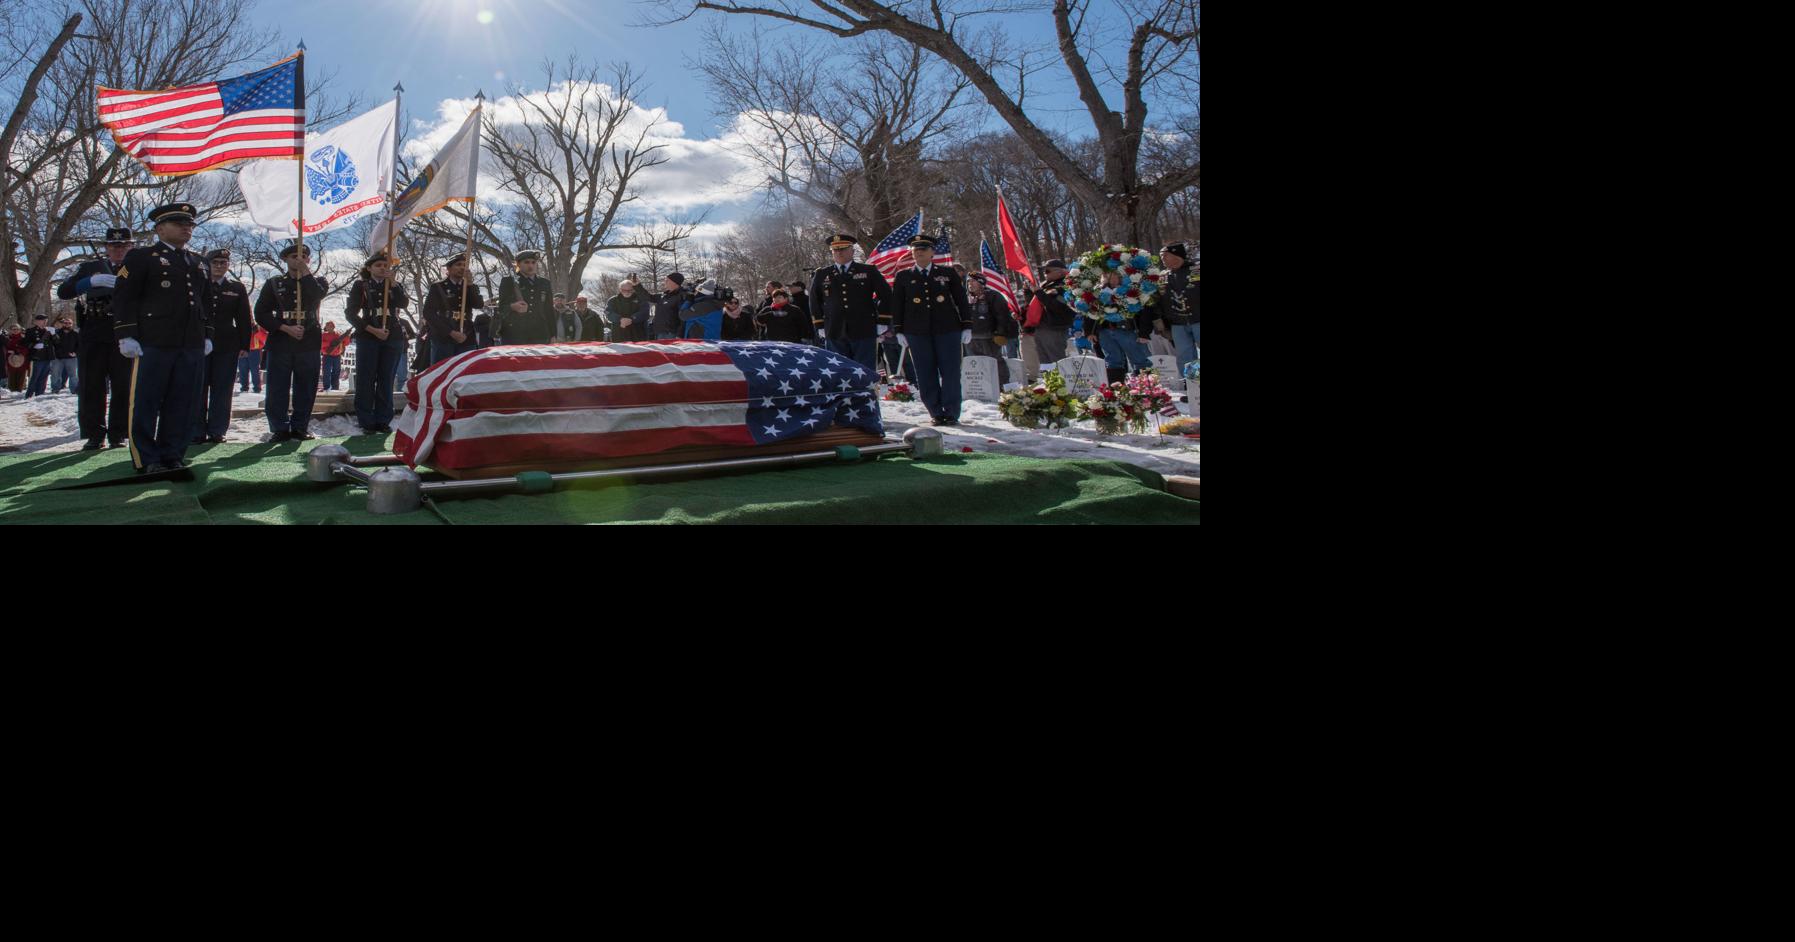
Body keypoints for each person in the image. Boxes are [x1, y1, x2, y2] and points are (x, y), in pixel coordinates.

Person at [110, 202, 215, 474]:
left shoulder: (199, 262)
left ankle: (173, 454)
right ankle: (146, 458)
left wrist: (207, 334)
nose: (186, 228)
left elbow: (206, 302)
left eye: (189, 224)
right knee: (146, 401)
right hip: (153, 341)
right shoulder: (142, 257)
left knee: (184, 402)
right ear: (160, 229)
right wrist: (126, 333)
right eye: (179, 223)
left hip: (190, 342)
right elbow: (124, 297)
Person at [57, 226, 134, 448]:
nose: (119, 249)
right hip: (94, 331)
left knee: (123, 386)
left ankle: (119, 433)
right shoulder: (91, 268)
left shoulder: (138, 267)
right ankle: (94, 434)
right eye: (114, 245)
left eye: (124, 245)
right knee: (91, 385)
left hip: (125, 332)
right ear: (106, 247)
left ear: (131, 246)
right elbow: (64, 291)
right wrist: (89, 282)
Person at [890, 235, 971, 425]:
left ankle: (951, 412)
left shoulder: (947, 273)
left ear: (932, 252)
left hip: (947, 329)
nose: (919, 252)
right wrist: (899, 330)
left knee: (950, 372)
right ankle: (935, 411)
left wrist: (967, 325)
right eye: (915, 249)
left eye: (923, 249)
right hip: (917, 332)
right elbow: (898, 305)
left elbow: (961, 300)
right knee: (925, 372)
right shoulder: (903, 276)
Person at [254, 241, 327, 442]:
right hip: (281, 341)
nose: (299, 260)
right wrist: (285, 328)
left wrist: (305, 273)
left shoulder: (317, 281)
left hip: (308, 340)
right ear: (285, 259)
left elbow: (317, 294)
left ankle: (300, 426)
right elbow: (261, 313)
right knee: (277, 387)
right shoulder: (274, 283)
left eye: (303, 256)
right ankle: (279, 428)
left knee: (306, 386)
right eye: (294, 257)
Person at [343, 250, 409, 434]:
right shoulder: (361, 285)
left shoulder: (394, 285)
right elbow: (350, 313)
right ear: (369, 268)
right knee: (366, 378)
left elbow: (403, 303)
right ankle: (366, 420)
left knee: (386, 379)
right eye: (378, 265)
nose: (382, 268)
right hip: (369, 334)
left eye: (385, 265)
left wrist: (394, 283)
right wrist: (372, 330)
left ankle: (383, 419)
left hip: (392, 335)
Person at [809, 233, 893, 376]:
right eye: (835, 250)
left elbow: (886, 296)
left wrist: (883, 321)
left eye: (843, 249)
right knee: (839, 372)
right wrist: (819, 325)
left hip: (863, 328)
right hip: (834, 329)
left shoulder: (868, 270)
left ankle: (866, 391)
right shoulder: (822, 274)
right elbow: (814, 301)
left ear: (852, 250)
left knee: (864, 370)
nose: (839, 252)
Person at [192, 248, 253, 443]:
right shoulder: (198, 284)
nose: (219, 266)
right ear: (207, 264)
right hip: (198, 342)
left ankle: (217, 430)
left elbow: (243, 317)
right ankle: (196, 430)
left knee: (223, 389)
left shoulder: (236, 288)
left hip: (226, 344)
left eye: (223, 263)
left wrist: (244, 344)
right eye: (215, 262)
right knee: (198, 387)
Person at [1087, 269, 1154, 381]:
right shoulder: (1098, 292)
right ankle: (1116, 387)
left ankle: (1146, 387)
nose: (1112, 279)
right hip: (1105, 331)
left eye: (1115, 276)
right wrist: (1090, 332)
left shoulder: (1131, 290)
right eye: (1108, 276)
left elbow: (1145, 313)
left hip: (1128, 330)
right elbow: (1090, 313)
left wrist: (1144, 333)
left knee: (1139, 360)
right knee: (1112, 361)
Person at [421, 252, 484, 365]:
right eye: (458, 265)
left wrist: (470, 284)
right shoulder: (438, 287)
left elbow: (478, 304)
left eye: (464, 265)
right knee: (442, 371)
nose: (462, 268)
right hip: (444, 337)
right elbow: (428, 313)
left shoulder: (469, 287)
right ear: (449, 268)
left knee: (465, 371)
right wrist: (450, 332)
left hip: (466, 336)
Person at [1024, 259, 1076, 368]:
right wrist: (1028, 291)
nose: (1045, 274)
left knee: (1057, 361)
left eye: (1048, 271)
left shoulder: (1066, 286)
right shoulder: (1045, 285)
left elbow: (1057, 306)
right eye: (1044, 271)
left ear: (1060, 272)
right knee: (1044, 363)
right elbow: (1034, 304)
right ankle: (1048, 379)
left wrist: (1039, 292)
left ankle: (1062, 379)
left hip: (1055, 328)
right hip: (1041, 327)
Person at [495, 249, 554, 345]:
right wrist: (512, 306)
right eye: (526, 262)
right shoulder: (508, 281)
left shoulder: (544, 283)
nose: (530, 265)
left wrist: (553, 335)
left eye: (533, 262)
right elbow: (501, 308)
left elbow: (549, 310)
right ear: (518, 264)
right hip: (514, 334)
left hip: (540, 334)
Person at [1158, 242, 1199, 378]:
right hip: (1177, 323)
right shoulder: (1162, 276)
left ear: (1176, 255)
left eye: (1165, 256)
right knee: (1185, 357)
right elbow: (1159, 301)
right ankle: (1193, 385)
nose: (1162, 259)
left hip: (1198, 320)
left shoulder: (1196, 269)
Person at [964, 273, 1012, 385]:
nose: (970, 284)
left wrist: (1000, 333)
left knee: (995, 362)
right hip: (970, 338)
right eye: (968, 281)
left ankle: (1002, 385)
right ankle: (983, 387)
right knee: (975, 364)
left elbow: (1002, 315)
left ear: (981, 283)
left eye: (973, 281)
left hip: (989, 337)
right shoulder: (965, 298)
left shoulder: (993, 296)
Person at [23, 313, 56, 398]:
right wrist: (34, 345)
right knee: (35, 376)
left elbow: (57, 343)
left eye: (46, 320)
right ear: (37, 321)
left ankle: (40, 394)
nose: (45, 322)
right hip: (37, 357)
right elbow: (25, 342)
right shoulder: (31, 331)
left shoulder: (49, 330)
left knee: (44, 377)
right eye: (42, 320)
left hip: (47, 356)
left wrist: (54, 334)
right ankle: (29, 394)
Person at [648, 272, 688, 340]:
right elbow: (648, 297)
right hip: (660, 332)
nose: (665, 282)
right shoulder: (664, 295)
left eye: (667, 280)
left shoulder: (682, 296)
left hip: (672, 334)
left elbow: (684, 318)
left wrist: (680, 334)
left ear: (675, 283)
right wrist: (637, 286)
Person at [51, 316, 80, 393]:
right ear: (62, 324)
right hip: (58, 358)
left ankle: (74, 390)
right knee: (55, 375)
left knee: (73, 376)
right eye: (65, 323)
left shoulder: (75, 334)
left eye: (69, 323)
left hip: (71, 358)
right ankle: (55, 389)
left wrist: (76, 353)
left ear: (72, 324)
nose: (67, 324)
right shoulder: (56, 333)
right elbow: (51, 344)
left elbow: (80, 345)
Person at [4, 323, 28, 393]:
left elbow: (26, 349)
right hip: (10, 360)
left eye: (17, 329)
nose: (15, 330)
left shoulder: (23, 339)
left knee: (21, 376)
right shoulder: (7, 339)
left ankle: (19, 391)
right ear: (10, 330)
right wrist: (9, 351)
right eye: (14, 329)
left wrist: (18, 351)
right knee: (12, 376)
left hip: (22, 360)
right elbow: (5, 349)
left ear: (20, 330)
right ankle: (12, 391)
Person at [242, 326, 266, 392]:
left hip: (255, 351)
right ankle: (244, 388)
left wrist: (257, 332)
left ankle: (257, 388)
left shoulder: (259, 327)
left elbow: (264, 339)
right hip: (243, 350)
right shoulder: (242, 325)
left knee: (255, 370)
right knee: (242, 370)